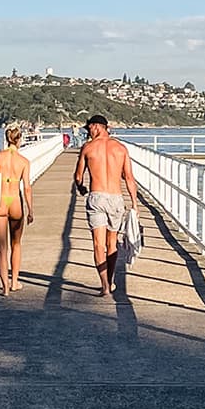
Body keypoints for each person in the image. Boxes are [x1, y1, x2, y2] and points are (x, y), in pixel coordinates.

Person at [72, 115, 137, 297]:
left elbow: (78, 176)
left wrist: (81, 187)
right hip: (116, 198)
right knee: (112, 243)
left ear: (97, 127)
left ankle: (105, 286)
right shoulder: (121, 149)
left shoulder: (88, 148)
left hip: (97, 197)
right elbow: (129, 178)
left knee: (98, 244)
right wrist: (135, 204)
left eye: (89, 129)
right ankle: (111, 278)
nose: (88, 132)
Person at [0, 126, 34, 297]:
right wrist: (30, 210)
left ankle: (5, 287)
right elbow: (27, 188)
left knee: (2, 247)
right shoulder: (23, 161)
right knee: (16, 243)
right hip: (14, 201)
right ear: (19, 139)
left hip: (0, 201)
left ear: (7, 139)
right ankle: (15, 281)